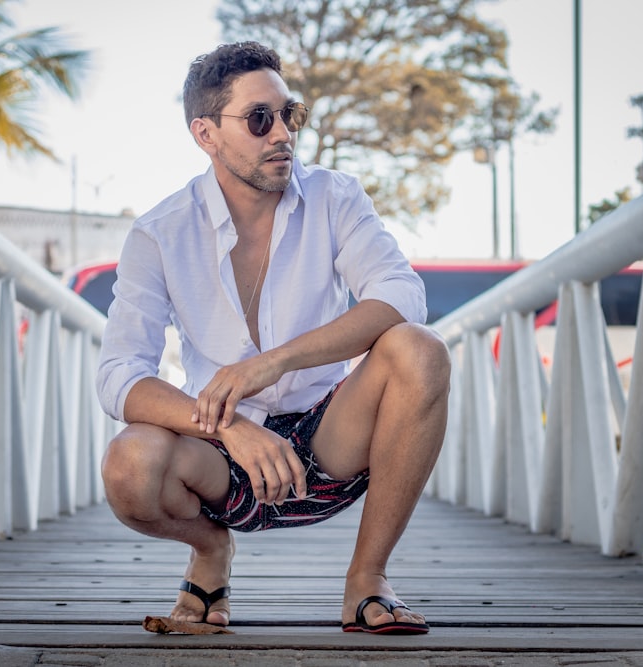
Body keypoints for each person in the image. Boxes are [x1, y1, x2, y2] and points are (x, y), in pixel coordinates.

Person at [96, 41, 450, 635]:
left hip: (330, 441)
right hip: (218, 458)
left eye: (291, 114)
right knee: (128, 465)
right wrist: (228, 425)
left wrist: (270, 364)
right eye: (260, 119)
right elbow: (119, 374)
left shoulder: (337, 197)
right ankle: (211, 550)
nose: (281, 132)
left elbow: (401, 296)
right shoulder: (159, 233)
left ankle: (368, 580)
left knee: (420, 349)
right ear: (205, 134)